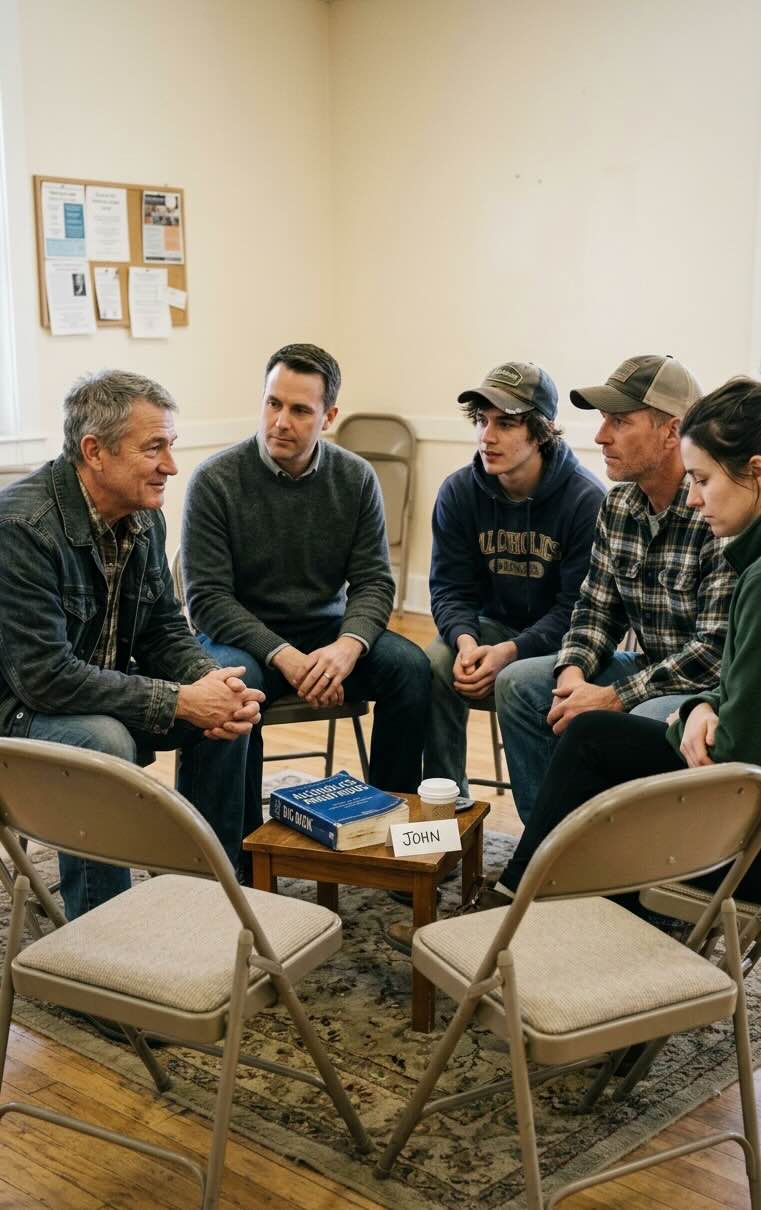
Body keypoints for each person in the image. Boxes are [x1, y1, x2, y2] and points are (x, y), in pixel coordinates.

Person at [0, 370, 263, 921]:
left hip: (86, 690)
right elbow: (44, 677)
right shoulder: (21, 527)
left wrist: (209, 682)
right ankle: (103, 936)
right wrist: (179, 701)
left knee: (236, 689)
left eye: (171, 446)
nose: (170, 465)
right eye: (155, 448)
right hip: (17, 709)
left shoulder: (145, 517)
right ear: (95, 451)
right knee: (103, 741)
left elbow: (164, 628)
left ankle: (202, 890)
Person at [494, 374, 761, 901]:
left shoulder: (733, 535)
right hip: (665, 676)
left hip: (689, 683)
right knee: (523, 685)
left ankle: (597, 886)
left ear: (670, 432)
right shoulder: (620, 507)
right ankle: (556, 851)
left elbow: (716, 657)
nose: (600, 436)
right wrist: (572, 675)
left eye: (619, 420)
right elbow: (594, 608)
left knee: (617, 725)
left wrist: (624, 698)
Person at [182, 342, 431, 837]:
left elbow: (373, 581)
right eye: (272, 403)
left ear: (329, 415)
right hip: (242, 639)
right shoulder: (214, 480)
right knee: (231, 689)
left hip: (326, 632)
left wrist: (347, 646)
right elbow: (208, 600)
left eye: (299, 410)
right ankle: (233, 858)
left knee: (411, 668)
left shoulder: (356, 478)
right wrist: (286, 656)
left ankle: (391, 837)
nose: (280, 421)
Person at [424, 360, 605, 793]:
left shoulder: (585, 499)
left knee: (512, 680)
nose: (487, 436)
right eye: (482, 421)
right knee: (433, 665)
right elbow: (450, 587)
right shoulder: (459, 491)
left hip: (563, 643)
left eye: (505, 423)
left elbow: (579, 610)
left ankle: (542, 836)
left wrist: (513, 650)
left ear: (541, 431)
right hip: (489, 628)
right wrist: (466, 642)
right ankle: (448, 811)